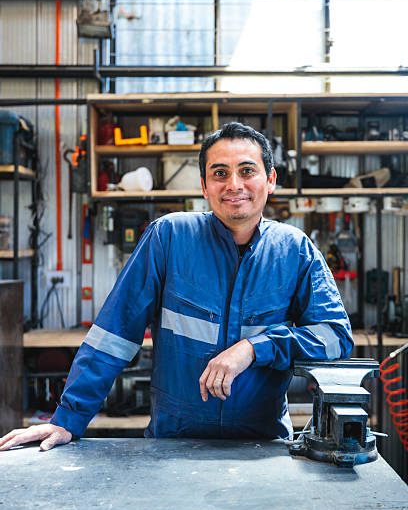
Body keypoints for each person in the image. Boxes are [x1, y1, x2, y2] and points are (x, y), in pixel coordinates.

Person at [0, 122, 353, 452]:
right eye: (220, 173)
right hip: (173, 446)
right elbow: (113, 335)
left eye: (247, 171)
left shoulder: (295, 250)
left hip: (261, 447)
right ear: (204, 185)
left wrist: (254, 348)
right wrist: (67, 420)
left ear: (270, 179)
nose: (234, 184)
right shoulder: (168, 238)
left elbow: (336, 337)